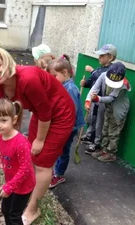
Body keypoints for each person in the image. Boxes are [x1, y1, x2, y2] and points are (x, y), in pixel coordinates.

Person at [0, 46, 76, 225]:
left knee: (42, 162)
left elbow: (46, 112)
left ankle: (32, 209)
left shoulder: (28, 79)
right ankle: (26, 193)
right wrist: (2, 146)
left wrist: (40, 140)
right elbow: (8, 116)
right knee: (29, 155)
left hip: (60, 113)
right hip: (41, 113)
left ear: (7, 60)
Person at [46, 55, 85, 188]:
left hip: (69, 127)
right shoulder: (62, 85)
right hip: (64, 126)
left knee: (63, 150)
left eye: (54, 76)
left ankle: (59, 175)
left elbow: (70, 110)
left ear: (65, 72)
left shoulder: (70, 89)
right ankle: (56, 170)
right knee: (58, 149)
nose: (52, 80)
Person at [86, 62, 130, 162]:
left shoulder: (123, 85)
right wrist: (88, 100)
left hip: (118, 111)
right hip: (109, 108)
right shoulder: (103, 75)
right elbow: (94, 88)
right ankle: (104, 148)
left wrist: (98, 99)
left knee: (113, 133)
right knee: (105, 129)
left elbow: (111, 98)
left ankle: (111, 153)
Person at [80, 44, 117, 155]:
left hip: (102, 101)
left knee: (99, 122)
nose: (99, 58)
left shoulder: (111, 70)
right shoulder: (100, 68)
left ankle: (96, 143)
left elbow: (99, 76)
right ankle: (89, 135)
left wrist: (91, 71)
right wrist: (85, 83)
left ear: (110, 57)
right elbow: (93, 81)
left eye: (102, 56)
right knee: (91, 118)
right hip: (94, 98)